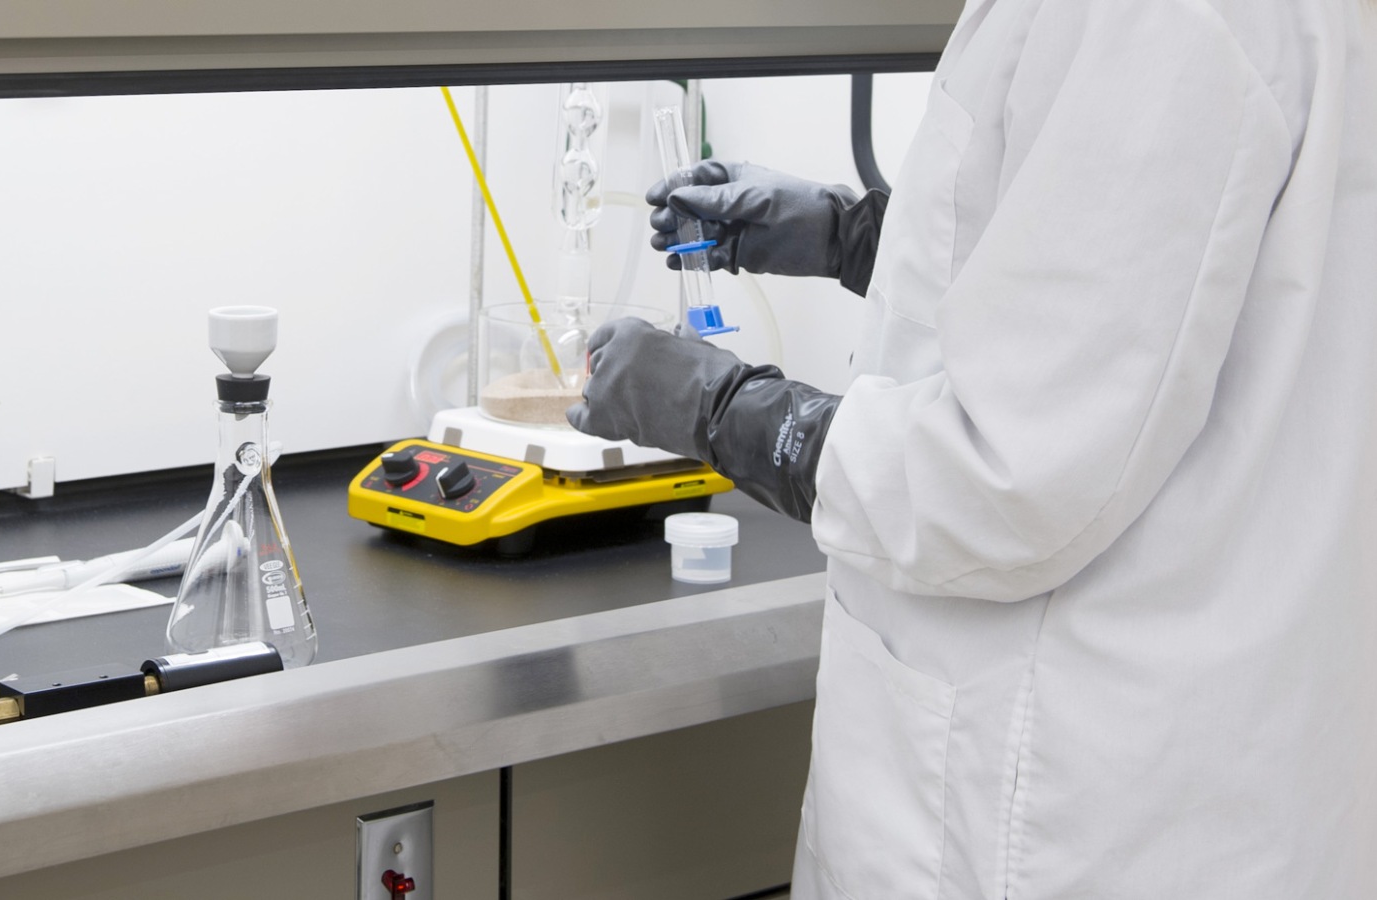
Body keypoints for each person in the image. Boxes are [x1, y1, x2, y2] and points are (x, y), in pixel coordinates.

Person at [568, 0, 1377, 897]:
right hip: (1223, 730)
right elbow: (1129, 281)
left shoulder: (1156, 17)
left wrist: (725, 410)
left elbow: (1004, 478)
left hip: (1075, 796)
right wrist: (857, 234)